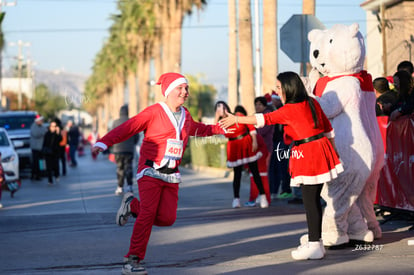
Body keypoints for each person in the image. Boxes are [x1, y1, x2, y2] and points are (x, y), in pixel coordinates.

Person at [91, 72, 229, 275]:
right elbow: (128, 127)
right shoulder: (153, 112)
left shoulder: (185, 115)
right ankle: (133, 260)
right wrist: (104, 142)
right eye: (180, 88)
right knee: (147, 214)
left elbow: (198, 129)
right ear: (168, 91)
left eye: (186, 88)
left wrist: (222, 129)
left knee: (167, 218)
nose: (185, 92)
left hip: (171, 174)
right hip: (149, 171)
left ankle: (131, 205)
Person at [219, 71, 343, 260]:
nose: (276, 92)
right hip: (320, 149)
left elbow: (262, 119)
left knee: (310, 201)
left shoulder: (290, 109)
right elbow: (328, 130)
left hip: (308, 153)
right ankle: (315, 242)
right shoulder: (312, 102)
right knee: (314, 199)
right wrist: (333, 154)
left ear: (288, 88)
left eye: (278, 88)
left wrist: (237, 119)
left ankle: (315, 244)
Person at [214, 101, 269, 209]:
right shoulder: (221, 123)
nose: (221, 109)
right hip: (234, 147)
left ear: (227, 107)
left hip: (246, 143)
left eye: (223, 106)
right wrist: (216, 117)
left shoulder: (237, 116)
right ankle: (236, 199)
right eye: (218, 108)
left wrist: (254, 141)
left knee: (255, 172)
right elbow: (216, 132)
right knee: (237, 174)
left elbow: (251, 127)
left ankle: (263, 197)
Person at [112, 105, 139, 195]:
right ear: (127, 112)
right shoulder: (132, 122)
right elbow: (136, 136)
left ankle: (120, 187)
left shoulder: (115, 122)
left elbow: (111, 135)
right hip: (129, 149)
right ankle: (130, 186)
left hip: (118, 150)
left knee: (120, 168)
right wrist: (133, 143)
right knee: (128, 168)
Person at [42, 121, 62, 185]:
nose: (53, 128)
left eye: (55, 126)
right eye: (52, 126)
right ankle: (50, 180)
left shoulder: (57, 134)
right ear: (50, 127)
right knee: (49, 167)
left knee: (56, 165)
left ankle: (56, 175)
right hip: (48, 152)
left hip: (55, 152)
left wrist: (58, 132)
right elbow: (44, 143)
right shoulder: (47, 134)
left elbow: (60, 140)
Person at [30, 115, 47, 180]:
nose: (41, 122)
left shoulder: (42, 126)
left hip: (41, 147)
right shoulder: (33, 126)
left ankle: (40, 173)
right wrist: (43, 132)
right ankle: (35, 174)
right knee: (35, 162)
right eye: (40, 120)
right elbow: (36, 134)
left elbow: (46, 131)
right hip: (35, 147)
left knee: (40, 162)